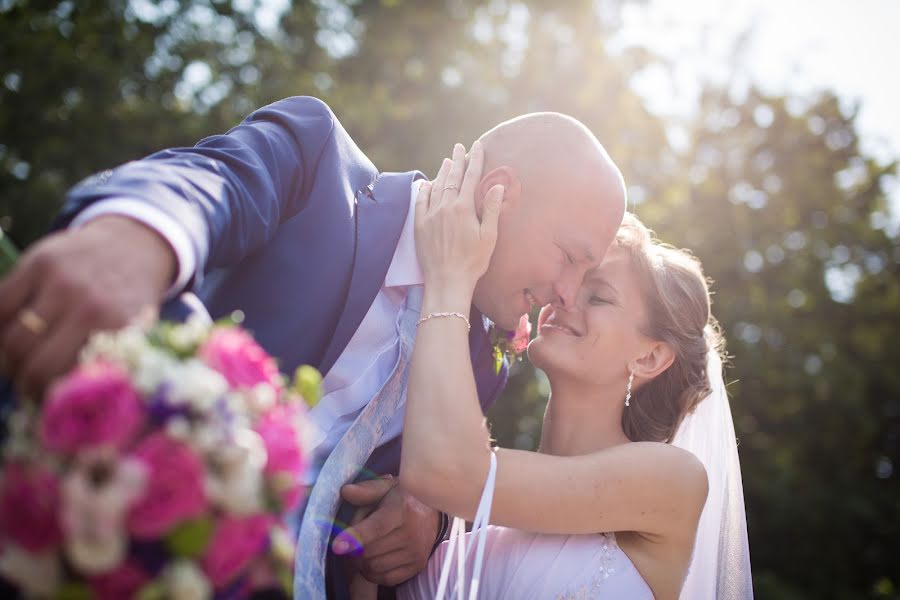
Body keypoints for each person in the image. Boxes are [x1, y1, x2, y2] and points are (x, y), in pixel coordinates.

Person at [0, 97, 626, 597]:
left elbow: (431, 482)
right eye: (570, 258)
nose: (566, 295)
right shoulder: (320, 165)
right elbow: (210, 181)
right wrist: (137, 235)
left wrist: (427, 518)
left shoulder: (478, 366)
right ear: (499, 193)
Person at [391, 149, 753, 599]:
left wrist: (450, 276)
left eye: (597, 297)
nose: (563, 296)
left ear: (650, 357)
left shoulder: (671, 482)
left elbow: (448, 472)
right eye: (570, 280)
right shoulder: (467, 514)